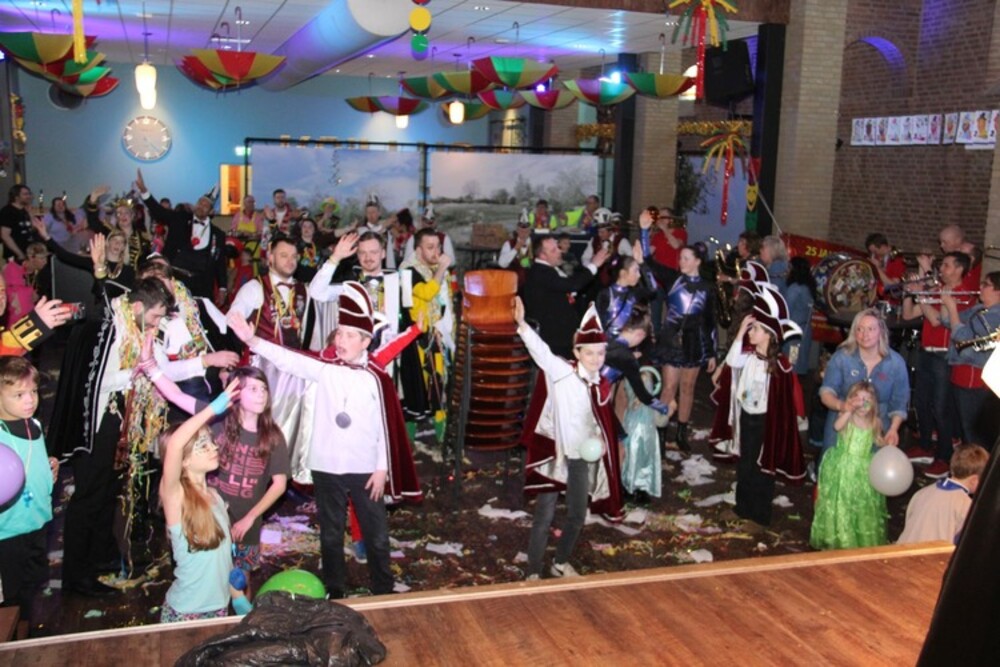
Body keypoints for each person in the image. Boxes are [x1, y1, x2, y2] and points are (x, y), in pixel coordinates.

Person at [227, 281, 420, 599]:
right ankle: (335, 589)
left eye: (349, 335)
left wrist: (381, 468)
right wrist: (253, 340)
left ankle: (383, 590)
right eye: (339, 333)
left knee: (376, 533)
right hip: (327, 467)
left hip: (364, 469)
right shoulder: (324, 368)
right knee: (330, 534)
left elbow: (384, 428)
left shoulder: (375, 377)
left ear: (365, 341)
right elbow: (287, 358)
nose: (340, 340)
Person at [57, 278, 177, 596]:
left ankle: (100, 558)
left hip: (122, 424)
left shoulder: (136, 326)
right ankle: (76, 576)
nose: (157, 323)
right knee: (88, 497)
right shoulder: (103, 327)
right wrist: (133, 373)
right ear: (137, 307)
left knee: (109, 492)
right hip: (95, 427)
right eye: (154, 316)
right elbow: (91, 381)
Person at [516, 299, 624, 579]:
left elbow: (599, 420)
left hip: (580, 459)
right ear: (577, 352)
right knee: (545, 515)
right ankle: (533, 570)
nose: (596, 359)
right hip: (556, 457)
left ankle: (560, 562)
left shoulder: (601, 384)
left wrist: (600, 438)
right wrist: (523, 325)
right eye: (589, 353)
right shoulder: (563, 372)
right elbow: (541, 352)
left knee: (577, 515)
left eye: (600, 353)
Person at [720, 287, 805, 528]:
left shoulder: (778, 366)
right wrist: (740, 333)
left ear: (768, 335)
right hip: (747, 417)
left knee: (762, 469)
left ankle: (759, 516)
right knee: (745, 464)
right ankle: (742, 508)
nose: (750, 332)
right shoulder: (748, 356)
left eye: (755, 329)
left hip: (766, 423)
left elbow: (782, 403)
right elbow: (731, 361)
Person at [157, 385, 239, 622]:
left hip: (220, 608)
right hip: (185, 613)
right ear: (183, 461)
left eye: (211, 441)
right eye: (203, 445)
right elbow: (175, 444)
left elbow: (223, 558)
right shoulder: (176, 497)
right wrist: (212, 409)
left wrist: (237, 595)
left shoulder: (216, 496)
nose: (214, 447)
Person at [206, 367, 289, 573]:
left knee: (241, 578)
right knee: (210, 574)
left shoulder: (273, 435)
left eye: (263, 388)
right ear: (236, 394)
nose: (261, 394)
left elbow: (279, 485)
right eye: (253, 389)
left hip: (246, 523)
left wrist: (250, 517)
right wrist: (152, 368)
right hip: (211, 517)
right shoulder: (218, 422)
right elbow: (178, 397)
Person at [903, 251, 976, 478]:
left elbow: (937, 320)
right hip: (926, 352)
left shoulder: (965, 295)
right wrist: (908, 293)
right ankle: (925, 445)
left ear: (959, 269)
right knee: (921, 402)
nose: (941, 269)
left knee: (941, 408)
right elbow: (908, 315)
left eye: (946, 265)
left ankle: (944, 457)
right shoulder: (937, 290)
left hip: (944, 356)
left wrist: (921, 295)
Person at [0, 357, 59, 620]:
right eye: (19, 395)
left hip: (37, 521)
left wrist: (48, 467)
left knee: (31, 585)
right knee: (10, 596)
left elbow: (31, 459)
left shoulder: (33, 425)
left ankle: (25, 629)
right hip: (7, 531)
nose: (30, 400)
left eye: (33, 392)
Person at [819, 309, 909, 469]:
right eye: (859, 329)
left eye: (871, 329)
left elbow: (899, 402)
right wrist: (842, 406)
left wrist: (893, 429)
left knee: (873, 471)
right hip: (843, 419)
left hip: (878, 423)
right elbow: (826, 392)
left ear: (881, 331)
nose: (864, 335)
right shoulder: (842, 357)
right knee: (831, 467)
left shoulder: (896, 363)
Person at [810, 380, 889, 550]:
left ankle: (859, 539)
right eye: (858, 399)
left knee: (861, 504)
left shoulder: (875, 422)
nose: (862, 404)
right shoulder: (848, 418)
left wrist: (887, 444)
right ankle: (841, 538)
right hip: (843, 469)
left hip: (863, 470)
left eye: (867, 400)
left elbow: (878, 441)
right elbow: (836, 426)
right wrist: (848, 409)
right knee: (842, 502)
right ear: (851, 400)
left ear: (873, 403)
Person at [655, 244, 717, 451]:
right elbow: (650, 262)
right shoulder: (674, 279)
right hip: (673, 339)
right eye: (680, 257)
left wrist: (711, 353)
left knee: (688, 388)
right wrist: (644, 234)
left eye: (686, 258)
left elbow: (709, 322)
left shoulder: (708, 287)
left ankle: (681, 433)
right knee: (669, 388)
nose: (681, 261)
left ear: (697, 261)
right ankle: (660, 433)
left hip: (694, 342)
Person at [135, 170, 228, 302]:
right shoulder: (180, 218)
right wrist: (144, 191)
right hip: (175, 279)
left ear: (211, 211)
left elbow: (220, 263)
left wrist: (223, 287)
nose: (201, 206)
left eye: (206, 205)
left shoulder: (218, 234)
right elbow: (159, 212)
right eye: (200, 202)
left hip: (201, 284)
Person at [399, 229, 454, 430]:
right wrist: (442, 269)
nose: (436, 252)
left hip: (436, 333)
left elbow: (445, 300)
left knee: (439, 385)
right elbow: (427, 293)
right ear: (418, 250)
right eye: (430, 247)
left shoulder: (434, 270)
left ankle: (440, 433)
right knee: (417, 389)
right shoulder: (407, 270)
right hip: (416, 339)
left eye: (438, 247)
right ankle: (410, 439)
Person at [521, 235, 608, 359]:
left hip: (561, 332)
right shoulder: (541, 272)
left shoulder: (547, 269)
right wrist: (594, 265)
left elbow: (565, 288)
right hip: (554, 338)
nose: (559, 251)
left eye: (558, 247)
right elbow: (571, 285)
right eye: (553, 250)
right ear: (542, 256)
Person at [941, 271, 1000, 452]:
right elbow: (947, 321)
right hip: (960, 374)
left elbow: (962, 337)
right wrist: (945, 300)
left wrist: (952, 308)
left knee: (973, 434)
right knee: (963, 430)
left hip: (975, 380)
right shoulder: (979, 309)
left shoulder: (995, 316)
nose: (980, 287)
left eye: (986, 284)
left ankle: (978, 468)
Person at [898, 444, 989, 545]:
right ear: (973, 480)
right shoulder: (965, 505)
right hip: (933, 553)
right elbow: (964, 543)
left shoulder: (922, 493)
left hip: (902, 550)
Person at [620, 365, 664, 505]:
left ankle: (639, 486)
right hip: (635, 421)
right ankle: (630, 485)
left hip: (644, 422)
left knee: (642, 452)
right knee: (634, 451)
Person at [82, 185, 152, 271]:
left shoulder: (143, 238)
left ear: (132, 215)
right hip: (110, 273)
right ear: (116, 217)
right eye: (119, 213)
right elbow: (93, 222)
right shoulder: (109, 232)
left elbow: (147, 262)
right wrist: (93, 200)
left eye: (126, 212)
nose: (123, 216)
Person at [3, 242, 49, 327]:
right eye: (42, 258)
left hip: (34, 314)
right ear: (31, 258)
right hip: (16, 317)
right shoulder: (13, 269)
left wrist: (38, 296)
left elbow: (45, 293)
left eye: (46, 258)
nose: (45, 262)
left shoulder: (44, 273)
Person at [785, 256, 816, 379]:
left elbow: (786, 310)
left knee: (791, 364)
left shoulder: (794, 289)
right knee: (798, 363)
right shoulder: (808, 288)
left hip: (793, 335)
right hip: (805, 331)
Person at [0, 184, 39, 262]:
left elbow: (33, 228)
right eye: (25, 194)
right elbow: (5, 235)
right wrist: (19, 254)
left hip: (28, 253)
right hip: (15, 255)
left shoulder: (25, 211)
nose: (29, 196)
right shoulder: (8, 211)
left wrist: (30, 213)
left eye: (29, 193)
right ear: (16, 197)